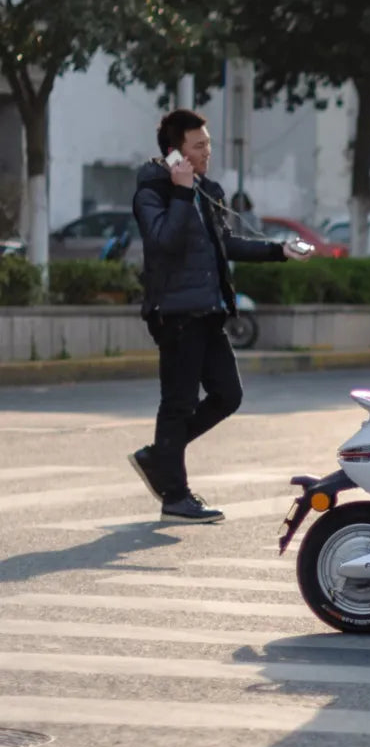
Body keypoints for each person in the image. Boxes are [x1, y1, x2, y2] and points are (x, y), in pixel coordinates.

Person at [128, 108, 312, 523]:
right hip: (175, 313)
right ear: (176, 153)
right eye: (198, 146)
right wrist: (179, 191)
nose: (207, 151)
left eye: (208, 143)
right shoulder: (152, 191)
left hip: (210, 311)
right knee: (177, 405)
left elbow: (224, 244)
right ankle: (175, 496)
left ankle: (160, 455)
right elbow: (163, 243)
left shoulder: (207, 189)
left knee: (228, 395)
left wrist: (278, 250)